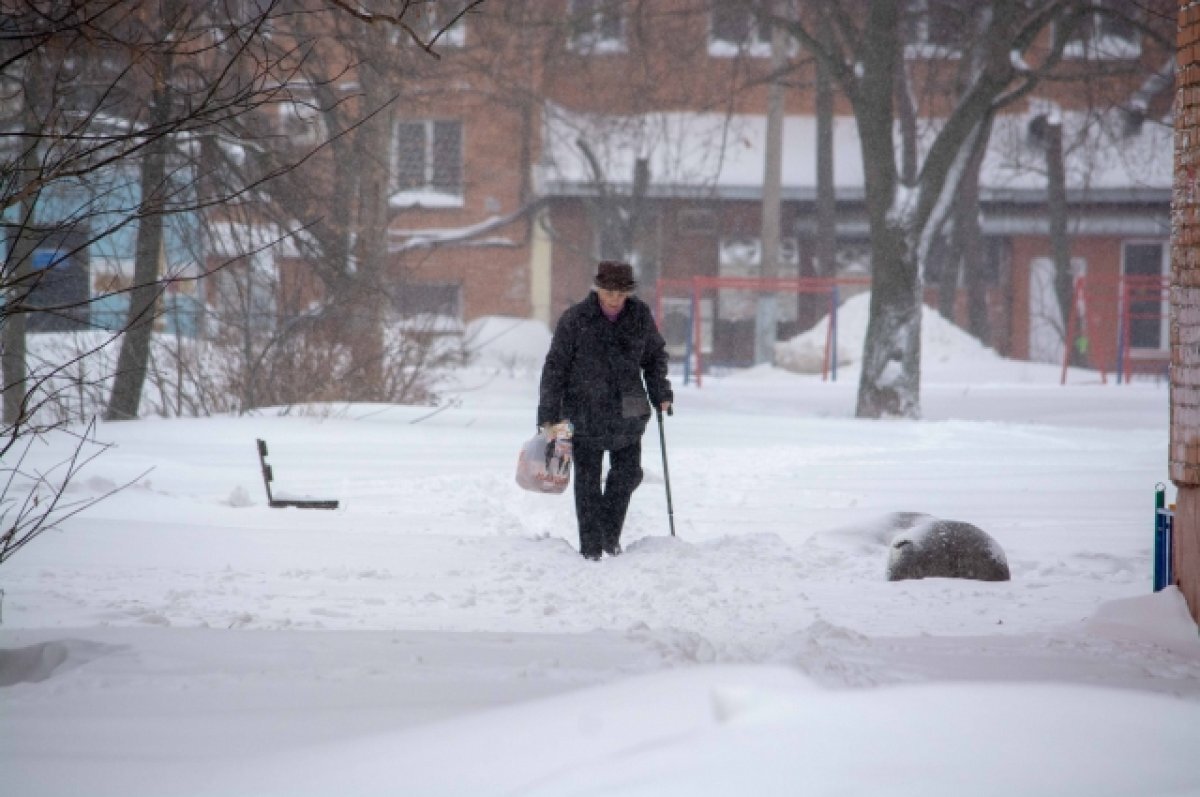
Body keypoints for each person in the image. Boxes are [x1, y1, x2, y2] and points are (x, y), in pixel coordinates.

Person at [538, 261, 674, 561]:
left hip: (629, 411)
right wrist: (549, 413)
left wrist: (660, 392)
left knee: (626, 474)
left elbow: (653, 358)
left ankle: (609, 536)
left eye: (621, 293)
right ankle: (591, 547)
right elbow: (555, 367)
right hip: (584, 410)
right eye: (609, 292)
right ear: (598, 289)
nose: (614, 298)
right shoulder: (575, 319)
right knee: (587, 480)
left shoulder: (639, 316)